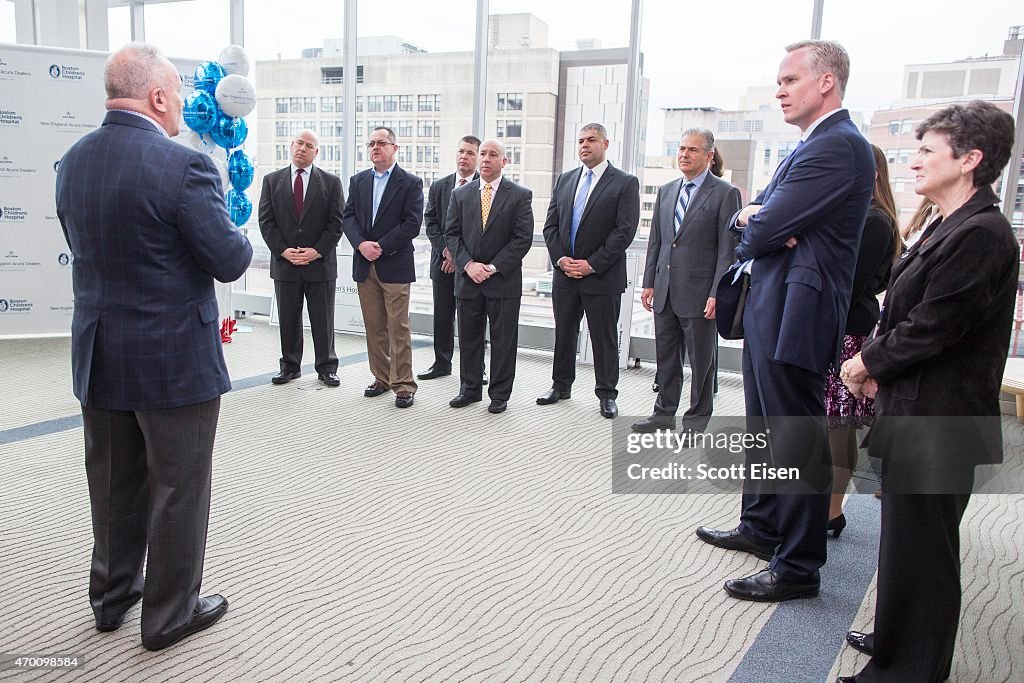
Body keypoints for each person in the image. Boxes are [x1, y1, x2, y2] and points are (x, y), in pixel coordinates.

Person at [54, 42, 252, 650]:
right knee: (179, 484)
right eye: (178, 96)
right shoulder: (183, 167)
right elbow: (230, 259)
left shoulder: (71, 161)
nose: (184, 109)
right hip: (172, 361)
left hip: (99, 351)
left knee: (113, 481)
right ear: (158, 97)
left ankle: (112, 598)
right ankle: (170, 616)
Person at [836, 100, 1017, 683]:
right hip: (916, 408)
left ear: (970, 160)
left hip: (942, 417)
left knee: (925, 553)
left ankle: (910, 669)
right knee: (904, 544)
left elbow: (936, 326)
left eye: (926, 152)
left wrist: (867, 360)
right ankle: (896, 638)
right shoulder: (947, 221)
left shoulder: (982, 234)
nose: (912, 162)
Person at [695, 40, 874, 602]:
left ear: (826, 82)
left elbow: (764, 228)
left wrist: (761, 220)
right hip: (772, 302)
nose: (779, 90)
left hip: (799, 310)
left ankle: (797, 566)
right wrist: (760, 218)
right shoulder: (810, 145)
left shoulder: (840, 146)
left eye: (790, 79)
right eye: (779, 81)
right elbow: (760, 219)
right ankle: (762, 526)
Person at [633, 128, 741, 433]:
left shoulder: (724, 193)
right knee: (666, 358)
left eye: (692, 150)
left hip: (700, 293)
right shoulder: (666, 191)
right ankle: (663, 414)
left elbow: (727, 249)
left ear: (708, 156)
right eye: (681, 148)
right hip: (665, 290)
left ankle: (695, 422)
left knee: (701, 363)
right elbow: (657, 241)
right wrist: (649, 282)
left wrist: (718, 292)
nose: (684, 154)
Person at [539, 123, 641, 418]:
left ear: (605, 143)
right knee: (565, 334)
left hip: (602, 275)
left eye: (591, 140)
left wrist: (592, 264)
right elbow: (550, 226)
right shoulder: (566, 180)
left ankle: (607, 394)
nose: (584, 145)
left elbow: (624, 232)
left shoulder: (624, 182)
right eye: (581, 140)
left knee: (603, 337)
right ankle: (560, 386)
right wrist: (561, 260)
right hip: (565, 274)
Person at [825, 144, 901, 535]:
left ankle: (832, 511)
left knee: (837, 425)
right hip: (841, 329)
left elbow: (848, 285)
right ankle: (830, 508)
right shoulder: (864, 216)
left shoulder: (874, 221)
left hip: (846, 333)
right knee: (834, 424)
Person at [445, 139, 533, 414]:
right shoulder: (460, 194)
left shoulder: (519, 195)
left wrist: (492, 267)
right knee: (469, 338)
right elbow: (452, 234)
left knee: (503, 340)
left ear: (504, 162)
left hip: (502, 280)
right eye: (482, 153)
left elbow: (522, 240)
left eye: (492, 154)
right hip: (468, 279)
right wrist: (468, 265)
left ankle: (499, 394)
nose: (485, 159)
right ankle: (469, 390)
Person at [342, 126, 423, 408]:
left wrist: (381, 246)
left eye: (381, 143)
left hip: (395, 263)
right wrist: (361, 244)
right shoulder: (358, 181)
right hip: (365, 263)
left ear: (394, 148)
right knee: (374, 326)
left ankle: (403, 384)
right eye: (371, 143)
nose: (375, 147)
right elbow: (348, 216)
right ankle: (382, 377)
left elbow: (412, 223)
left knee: (397, 326)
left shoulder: (410, 183)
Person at [259, 129, 345, 387]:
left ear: (316, 152)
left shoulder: (331, 183)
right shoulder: (271, 181)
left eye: (309, 146)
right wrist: (284, 251)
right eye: (299, 143)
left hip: (319, 263)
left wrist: (316, 251)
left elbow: (336, 224)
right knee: (288, 317)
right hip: (285, 263)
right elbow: (266, 222)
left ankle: (327, 367)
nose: (302, 148)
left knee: (323, 318)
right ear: (291, 145)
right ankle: (289, 366)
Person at [417, 135, 481, 381]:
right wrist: (446, 251)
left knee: (473, 319)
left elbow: (480, 230)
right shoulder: (440, 186)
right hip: (442, 263)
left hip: (471, 265)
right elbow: (431, 221)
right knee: (442, 316)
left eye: (470, 153)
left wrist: (460, 258)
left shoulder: (483, 187)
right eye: (461, 151)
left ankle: (477, 367)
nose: (464, 157)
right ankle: (441, 363)